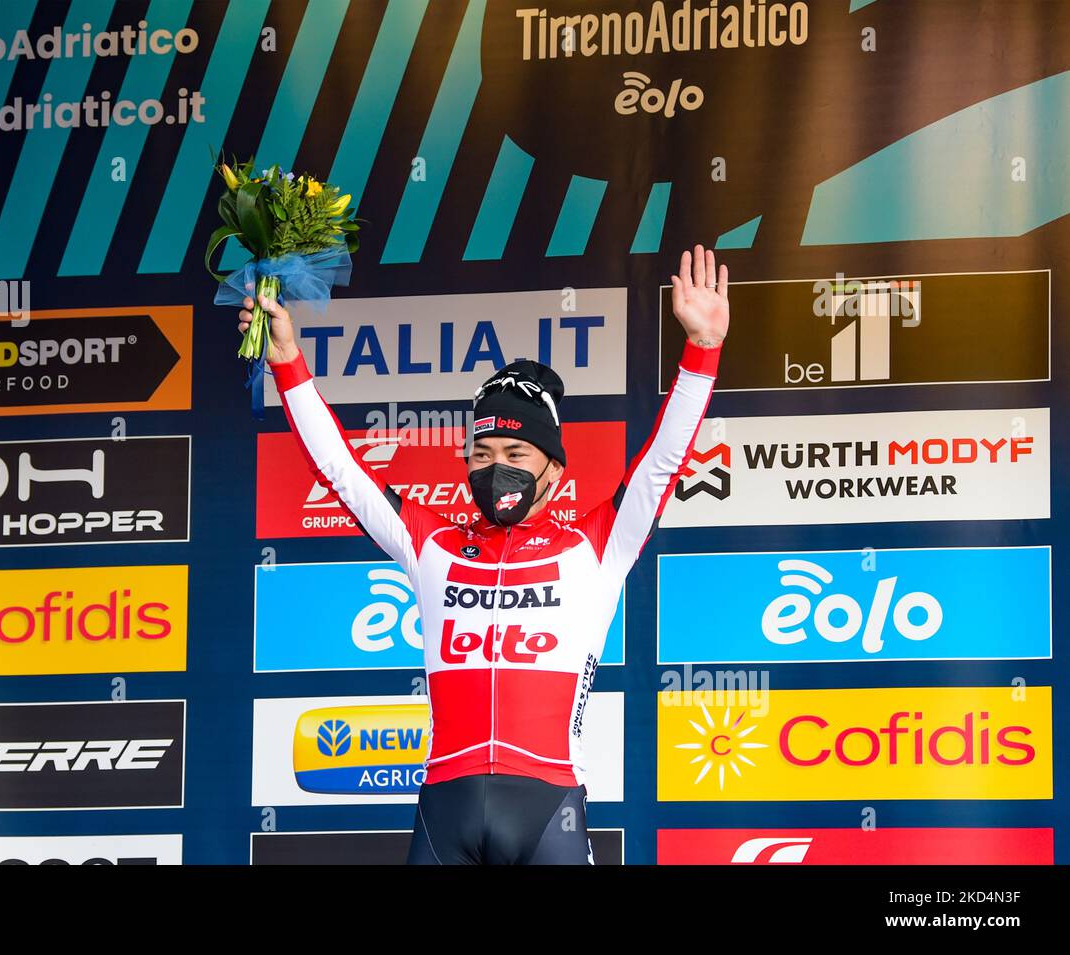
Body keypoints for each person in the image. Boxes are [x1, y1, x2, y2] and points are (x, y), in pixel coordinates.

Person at [238, 244, 729, 864]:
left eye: (517, 457)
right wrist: (286, 359)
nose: (497, 471)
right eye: (482, 455)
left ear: (554, 468)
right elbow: (340, 468)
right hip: (445, 812)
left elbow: (662, 463)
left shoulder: (596, 545)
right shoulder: (431, 543)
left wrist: (702, 351)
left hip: (549, 810)